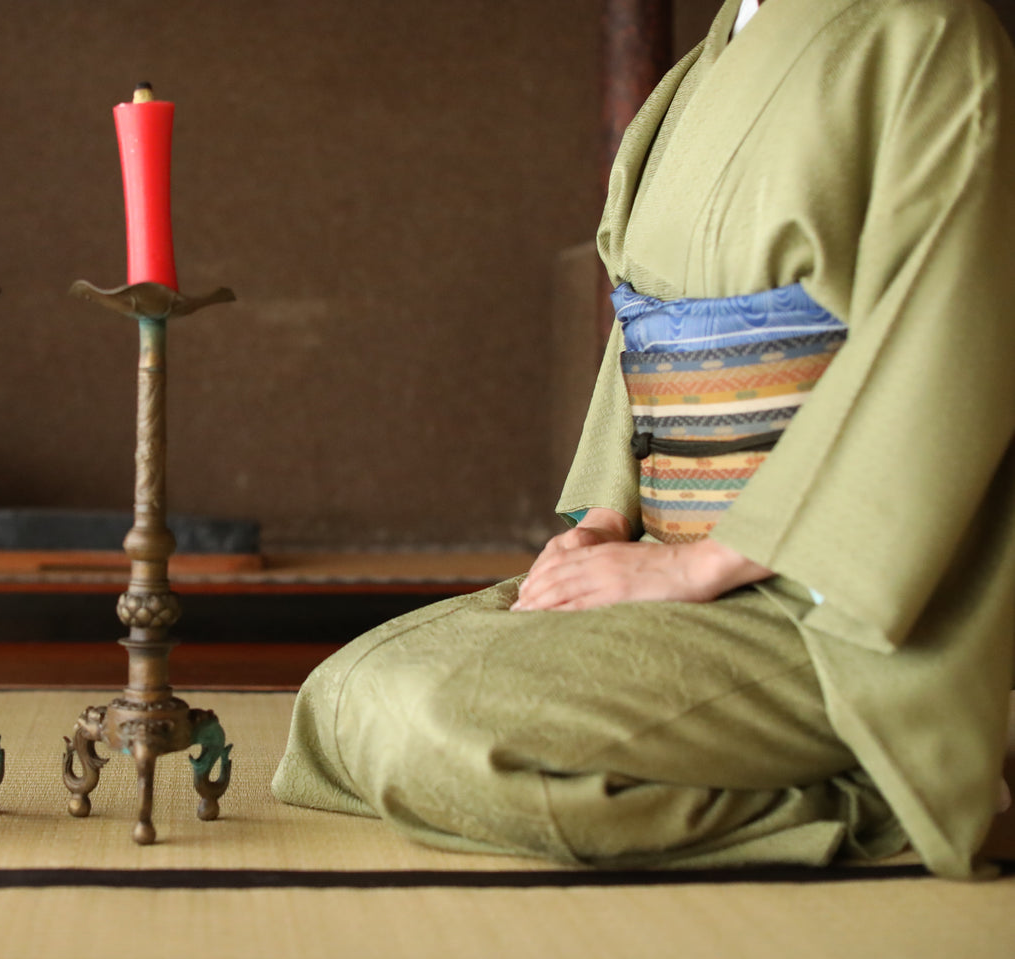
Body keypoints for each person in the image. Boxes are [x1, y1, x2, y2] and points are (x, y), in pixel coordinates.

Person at [272, 0, 1015, 879]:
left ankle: (869, 789)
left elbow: (944, 341)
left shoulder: (928, 34)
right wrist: (602, 522)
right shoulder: (698, 71)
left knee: (444, 731)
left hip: (815, 599)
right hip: (663, 563)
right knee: (342, 699)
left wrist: (701, 566)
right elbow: (641, 328)